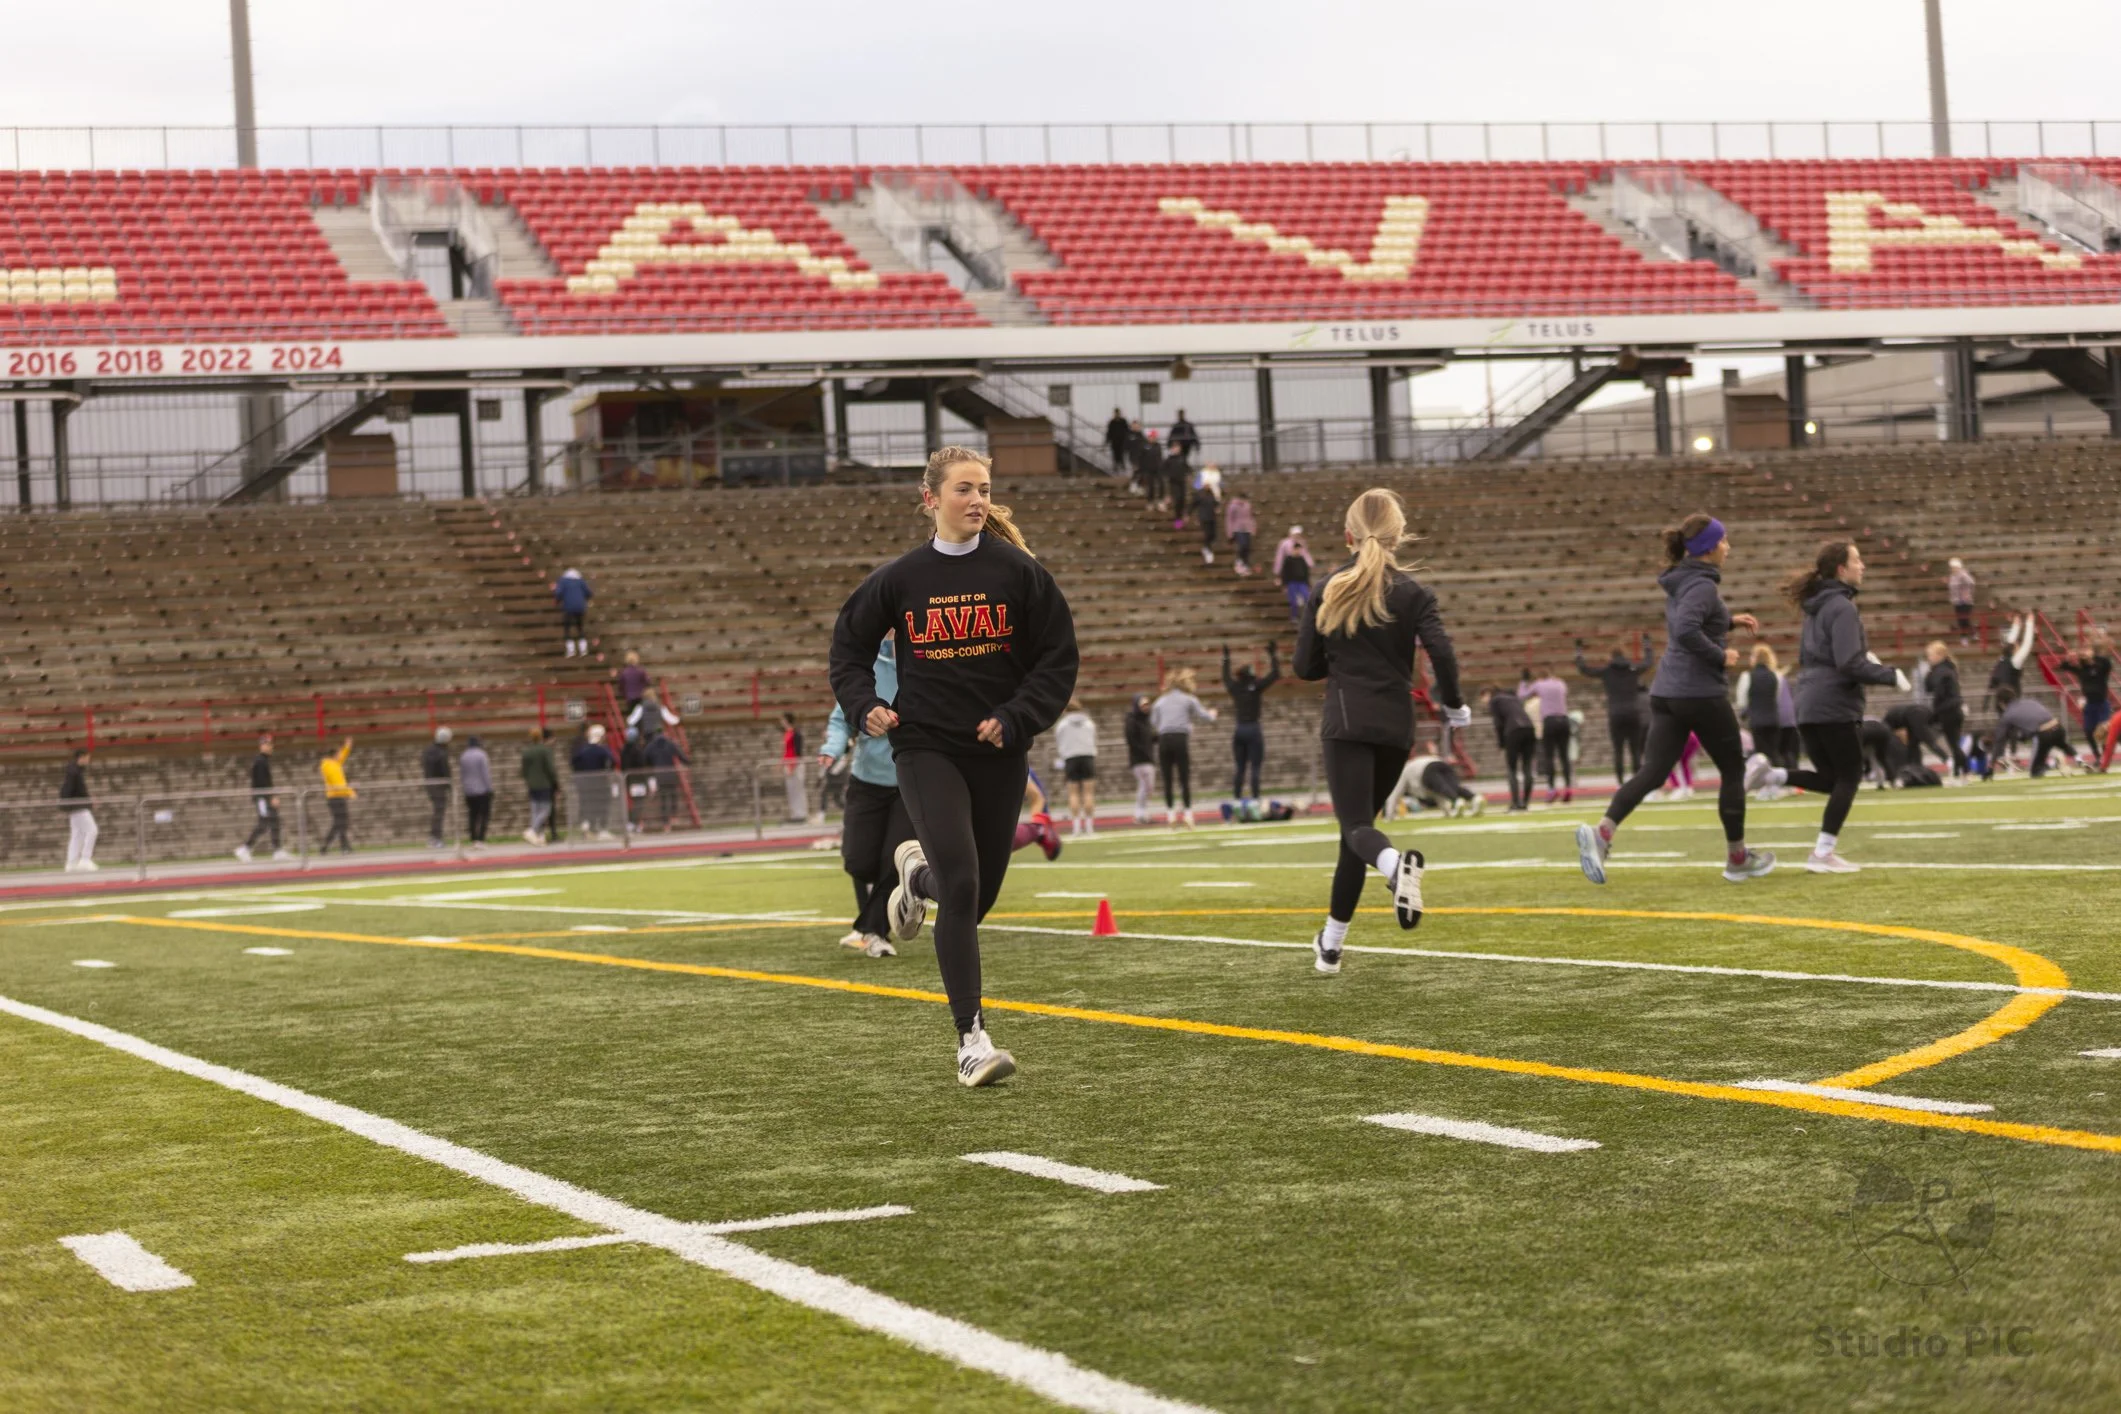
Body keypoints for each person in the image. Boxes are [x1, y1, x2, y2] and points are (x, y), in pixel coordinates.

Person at [827, 444, 1078, 1088]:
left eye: (986, 489)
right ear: (930, 498)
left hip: (999, 752)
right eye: (965, 488)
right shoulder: (900, 578)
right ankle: (972, 1041)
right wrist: (866, 707)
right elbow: (848, 649)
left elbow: (1057, 658)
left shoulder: (1019, 572)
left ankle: (914, 879)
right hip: (926, 747)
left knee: (976, 895)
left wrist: (1017, 716)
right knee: (962, 884)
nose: (978, 500)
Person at [1294, 486, 1467, 972]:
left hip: (1347, 722)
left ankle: (1396, 867)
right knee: (1358, 831)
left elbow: (1304, 667)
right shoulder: (1415, 593)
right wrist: (1454, 706)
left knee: (1356, 829)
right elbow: (1444, 656)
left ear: (1348, 534)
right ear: (1398, 535)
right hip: (1396, 725)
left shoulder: (1329, 586)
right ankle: (1330, 945)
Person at [1577, 514, 1775, 886]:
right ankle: (1737, 858)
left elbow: (1691, 621)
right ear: (1710, 548)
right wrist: (1721, 655)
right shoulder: (1702, 586)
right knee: (1733, 771)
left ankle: (1602, 833)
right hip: (1699, 691)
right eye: (1725, 541)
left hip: (1667, 691)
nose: (1729, 547)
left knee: (1653, 772)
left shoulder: (1683, 580)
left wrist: (1727, 622)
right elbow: (1686, 630)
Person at [1745, 542, 1905, 874]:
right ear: (1841, 570)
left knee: (1833, 780)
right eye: (1857, 560)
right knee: (1849, 777)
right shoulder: (1842, 607)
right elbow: (1848, 663)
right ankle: (1822, 853)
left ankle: (1773, 775)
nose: (1863, 566)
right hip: (1834, 704)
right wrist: (1890, 676)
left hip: (1808, 702)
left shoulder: (1815, 608)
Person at [820, 638, 909, 957]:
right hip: (866, 780)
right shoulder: (869, 666)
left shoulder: (931, 666)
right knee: (858, 861)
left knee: (893, 860)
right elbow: (841, 717)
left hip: (911, 781)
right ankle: (873, 925)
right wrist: (832, 749)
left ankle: (874, 932)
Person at [1576, 634, 1651, 785]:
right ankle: (1637, 783)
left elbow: (1585, 669)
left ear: (1611, 655)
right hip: (1633, 712)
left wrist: (1579, 652)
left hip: (1616, 713)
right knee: (1635, 750)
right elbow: (1648, 663)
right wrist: (1647, 645)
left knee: (1618, 750)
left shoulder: (1607, 671)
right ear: (1624, 654)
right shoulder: (1632, 669)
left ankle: (1620, 782)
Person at [1151, 668, 1217, 827]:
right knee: (1184, 778)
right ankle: (1188, 815)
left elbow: (1154, 722)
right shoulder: (1189, 699)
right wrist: (1213, 714)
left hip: (1164, 739)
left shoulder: (1160, 701)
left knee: (1167, 780)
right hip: (1180, 739)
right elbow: (1204, 716)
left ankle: (1170, 815)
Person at [1222, 641, 1281, 806]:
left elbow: (1226, 678)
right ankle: (1255, 799)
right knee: (1255, 767)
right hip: (1253, 728)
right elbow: (1275, 674)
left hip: (1239, 728)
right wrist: (1273, 656)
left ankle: (1236, 799)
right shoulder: (1255, 686)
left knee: (1240, 767)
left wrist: (1226, 659)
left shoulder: (1236, 688)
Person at [1988, 686, 2080, 778]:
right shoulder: (2030, 702)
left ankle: (2054, 763)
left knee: (2035, 772)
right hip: (2058, 727)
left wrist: (1991, 766)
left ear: (2001, 702)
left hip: (2044, 734)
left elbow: (1999, 741)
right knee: (2064, 745)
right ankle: (2079, 759)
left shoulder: (2007, 715)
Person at [1386, 738, 1483, 819]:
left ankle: (1456, 801)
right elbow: (1438, 794)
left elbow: (1395, 793)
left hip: (1427, 769)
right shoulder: (1414, 763)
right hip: (1441, 763)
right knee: (1453, 787)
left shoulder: (1404, 770)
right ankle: (1474, 798)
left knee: (1442, 787)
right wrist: (1447, 814)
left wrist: (1389, 816)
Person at [1518, 666, 1573, 802]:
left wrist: (1524, 680)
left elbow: (1522, 695)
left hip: (1550, 721)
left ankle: (1552, 788)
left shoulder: (1539, 684)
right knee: (1564, 756)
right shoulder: (1560, 683)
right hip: (1564, 720)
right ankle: (1568, 788)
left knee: (1549, 756)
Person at [234, 733, 291, 863]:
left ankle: (277, 850)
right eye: (268, 744)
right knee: (264, 822)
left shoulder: (263, 761)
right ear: (262, 746)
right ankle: (245, 848)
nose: (271, 747)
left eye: (271, 744)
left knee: (274, 821)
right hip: (262, 798)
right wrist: (270, 797)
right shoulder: (260, 761)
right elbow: (261, 782)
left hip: (265, 797)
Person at [2058, 629, 2115, 759]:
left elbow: (2107, 662)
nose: (2085, 653)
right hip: (2089, 705)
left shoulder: (2101, 666)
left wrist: (2093, 654)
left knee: (2103, 731)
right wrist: (2068, 657)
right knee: (2088, 732)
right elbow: (2062, 667)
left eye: (2087, 650)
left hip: (2102, 704)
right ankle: (2097, 756)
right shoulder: (2081, 670)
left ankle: (2106, 756)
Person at [1053, 698, 1098, 836]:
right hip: (1087, 757)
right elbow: (1093, 739)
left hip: (1071, 758)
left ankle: (1076, 828)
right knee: (1088, 792)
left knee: (1073, 793)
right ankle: (1090, 827)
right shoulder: (1089, 723)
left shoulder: (1062, 725)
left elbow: (1059, 742)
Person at [1489, 684, 1537, 811]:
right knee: (1527, 767)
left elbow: (1498, 723)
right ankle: (1525, 802)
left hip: (1513, 731)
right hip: (1529, 729)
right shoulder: (1514, 698)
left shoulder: (1495, 700)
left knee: (1512, 768)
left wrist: (1501, 743)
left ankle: (1515, 802)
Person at [1924, 641, 1968, 776]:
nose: (1929, 658)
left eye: (1930, 655)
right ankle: (1959, 770)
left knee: (1953, 743)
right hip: (1953, 709)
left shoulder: (1942, 671)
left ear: (1939, 655)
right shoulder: (1947, 669)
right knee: (1953, 742)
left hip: (1948, 710)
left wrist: (1935, 713)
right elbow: (1929, 687)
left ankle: (1962, 769)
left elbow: (1937, 691)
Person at [571, 723, 619, 840]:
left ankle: (589, 826)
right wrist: (608, 770)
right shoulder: (602, 750)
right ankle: (602, 828)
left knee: (588, 805)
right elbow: (613, 760)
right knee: (603, 805)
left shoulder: (582, 750)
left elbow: (573, 762)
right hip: (600, 782)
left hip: (585, 782)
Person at [1883, 701, 1954, 775]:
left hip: (1910, 718)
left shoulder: (1924, 713)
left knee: (1920, 743)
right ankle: (1914, 770)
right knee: (1911, 746)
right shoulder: (1917, 717)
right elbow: (1927, 741)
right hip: (1902, 721)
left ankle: (1917, 770)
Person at [1742, 644, 1784, 768]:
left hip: (1756, 720)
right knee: (1774, 751)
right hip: (1773, 718)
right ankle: (1778, 780)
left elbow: (1742, 700)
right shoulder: (1776, 676)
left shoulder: (1747, 676)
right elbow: (1777, 696)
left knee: (1760, 753)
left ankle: (1763, 781)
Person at [646, 722, 690, 830]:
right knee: (673, 795)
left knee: (663, 798)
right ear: (664, 732)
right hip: (671, 774)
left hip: (659, 775)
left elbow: (645, 758)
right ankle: (673, 816)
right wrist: (689, 762)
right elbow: (681, 756)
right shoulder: (670, 744)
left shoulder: (650, 746)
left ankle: (665, 822)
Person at [1988, 611, 2036, 708]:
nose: (2018, 646)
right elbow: (2027, 644)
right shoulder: (2015, 661)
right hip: (2012, 700)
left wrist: (2016, 626)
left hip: (2000, 699)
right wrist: (2029, 624)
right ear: (2014, 650)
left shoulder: (2003, 658)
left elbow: (2009, 643)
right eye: (2017, 646)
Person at [60, 748, 97, 873]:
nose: (88, 760)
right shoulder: (74, 772)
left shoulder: (73, 771)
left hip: (74, 807)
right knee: (92, 830)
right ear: (82, 757)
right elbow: (77, 790)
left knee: (77, 834)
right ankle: (85, 859)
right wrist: (89, 802)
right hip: (78, 806)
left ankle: (71, 862)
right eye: (87, 757)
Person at [521, 726, 559, 845]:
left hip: (532, 784)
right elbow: (550, 769)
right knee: (546, 810)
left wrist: (529, 779)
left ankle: (539, 835)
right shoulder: (545, 750)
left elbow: (523, 771)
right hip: (544, 784)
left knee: (535, 810)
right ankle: (533, 830)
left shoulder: (526, 751)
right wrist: (555, 782)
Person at [318, 738, 355, 855]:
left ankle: (332, 845)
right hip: (335, 797)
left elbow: (343, 755)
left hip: (337, 797)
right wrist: (350, 792)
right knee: (340, 822)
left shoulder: (334, 763)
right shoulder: (330, 766)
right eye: (338, 753)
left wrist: (347, 746)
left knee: (339, 822)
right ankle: (342, 846)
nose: (340, 755)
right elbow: (338, 783)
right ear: (334, 755)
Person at [1124, 693, 1157, 824]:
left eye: (1147, 704)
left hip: (1148, 758)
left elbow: (1152, 738)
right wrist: (1142, 751)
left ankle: (1143, 813)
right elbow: (1131, 739)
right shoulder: (1132, 720)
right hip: (1139, 759)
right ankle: (1139, 814)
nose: (1146, 707)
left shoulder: (1147, 721)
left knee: (1148, 787)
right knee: (1145, 786)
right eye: (1143, 704)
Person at [1273, 526, 1315, 627]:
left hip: (1301, 581)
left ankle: (1308, 617)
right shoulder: (1286, 551)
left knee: (1307, 598)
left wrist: (1310, 566)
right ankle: (1294, 616)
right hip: (1292, 582)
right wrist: (1279, 576)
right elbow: (1280, 560)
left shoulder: (1302, 554)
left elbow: (1306, 563)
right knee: (1293, 601)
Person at [420, 726, 453, 849]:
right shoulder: (441, 752)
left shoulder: (428, 750)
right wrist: (449, 784)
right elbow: (445, 769)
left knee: (437, 812)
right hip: (438, 785)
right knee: (439, 812)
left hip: (430, 783)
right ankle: (435, 838)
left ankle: (435, 837)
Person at [459, 736, 493, 848]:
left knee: (472, 815)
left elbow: (462, 774)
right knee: (484, 815)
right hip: (482, 790)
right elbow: (485, 773)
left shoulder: (463, 756)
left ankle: (473, 839)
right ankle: (481, 839)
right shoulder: (481, 755)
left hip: (469, 791)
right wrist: (489, 788)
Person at [554, 567, 593, 658]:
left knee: (567, 628)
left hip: (568, 607)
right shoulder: (580, 581)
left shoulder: (563, 581)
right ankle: (583, 649)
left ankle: (571, 650)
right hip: (580, 607)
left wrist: (558, 601)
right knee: (580, 627)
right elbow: (589, 593)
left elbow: (558, 593)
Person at [778, 712, 807, 822]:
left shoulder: (796, 733)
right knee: (791, 791)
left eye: (782, 720)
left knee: (798, 789)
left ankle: (802, 814)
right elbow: (786, 751)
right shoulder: (786, 733)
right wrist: (781, 764)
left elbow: (797, 752)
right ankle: (795, 814)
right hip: (788, 763)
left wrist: (792, 766)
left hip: (795, 764)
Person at [1225, 490, 1257, 576]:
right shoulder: (1233, 506)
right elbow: (1229, 519)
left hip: (1247, 529)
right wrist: (1230, 533)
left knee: (1247, 547)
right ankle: (1238, 562)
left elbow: (1251, 517)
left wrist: (1253, 528)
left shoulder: (1248, 505)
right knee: (1242, 545)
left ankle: (1245, 564)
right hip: (1237, 528)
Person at [1191, 471, 1221, 565]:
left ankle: (1208, 547)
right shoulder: (1199, 494)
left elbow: (1215, 503)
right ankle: (1207, 549)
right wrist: (1188, 514)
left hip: (1212, 517)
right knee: (1207, 534)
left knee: (1213, 534)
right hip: (1204, 517)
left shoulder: (1211, 493)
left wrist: (1217, 507)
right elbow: (1192, 505)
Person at [1136, 426, 1166, 511]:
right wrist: (1141, 470)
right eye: (1152, 436)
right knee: (1151, 486)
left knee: (1161, 484)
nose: (1153, 438)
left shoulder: (1158, 446)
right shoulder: (1144, 446)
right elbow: (1140, 458)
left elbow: (1160, 458)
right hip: (1148, 470)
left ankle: (1160, 501)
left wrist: (1161, 467)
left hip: (1158, 469)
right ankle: (1150, 502)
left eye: (1154, 437)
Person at [1947, 558, 1976, 642]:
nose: (1953, 569)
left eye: (1954, 567)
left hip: (1966, 601)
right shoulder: (1952, 576)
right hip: (1957, 602)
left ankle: (1971, 633)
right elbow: (1952, 588)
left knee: (1965, 619)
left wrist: (1967, 593)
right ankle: (1964, 636)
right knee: (1960, 620)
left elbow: (1971, 583)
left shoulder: (1963, 574)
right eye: (1952, 567)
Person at [616, 651, 651, 717]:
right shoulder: (641, 671)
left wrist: (624, 694)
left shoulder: (624, 672)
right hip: (640, 696)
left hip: (630, 698)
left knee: (632, 717)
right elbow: (648, 682)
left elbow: (621, 686)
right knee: (641, 716)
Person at [1104, 407, 1132, 477]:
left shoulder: (1123, 421)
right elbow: (1109, 433)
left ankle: (1123, 471)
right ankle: (1115, 471)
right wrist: (1106, 442)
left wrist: (1128, 440)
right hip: (1114, 443)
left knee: (1122, 456)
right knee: (1115, 457)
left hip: (1122, 443)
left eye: (1118, 413)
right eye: (1116, 413)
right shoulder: (1112, 422)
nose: (1117, 414)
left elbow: (1127, 431)